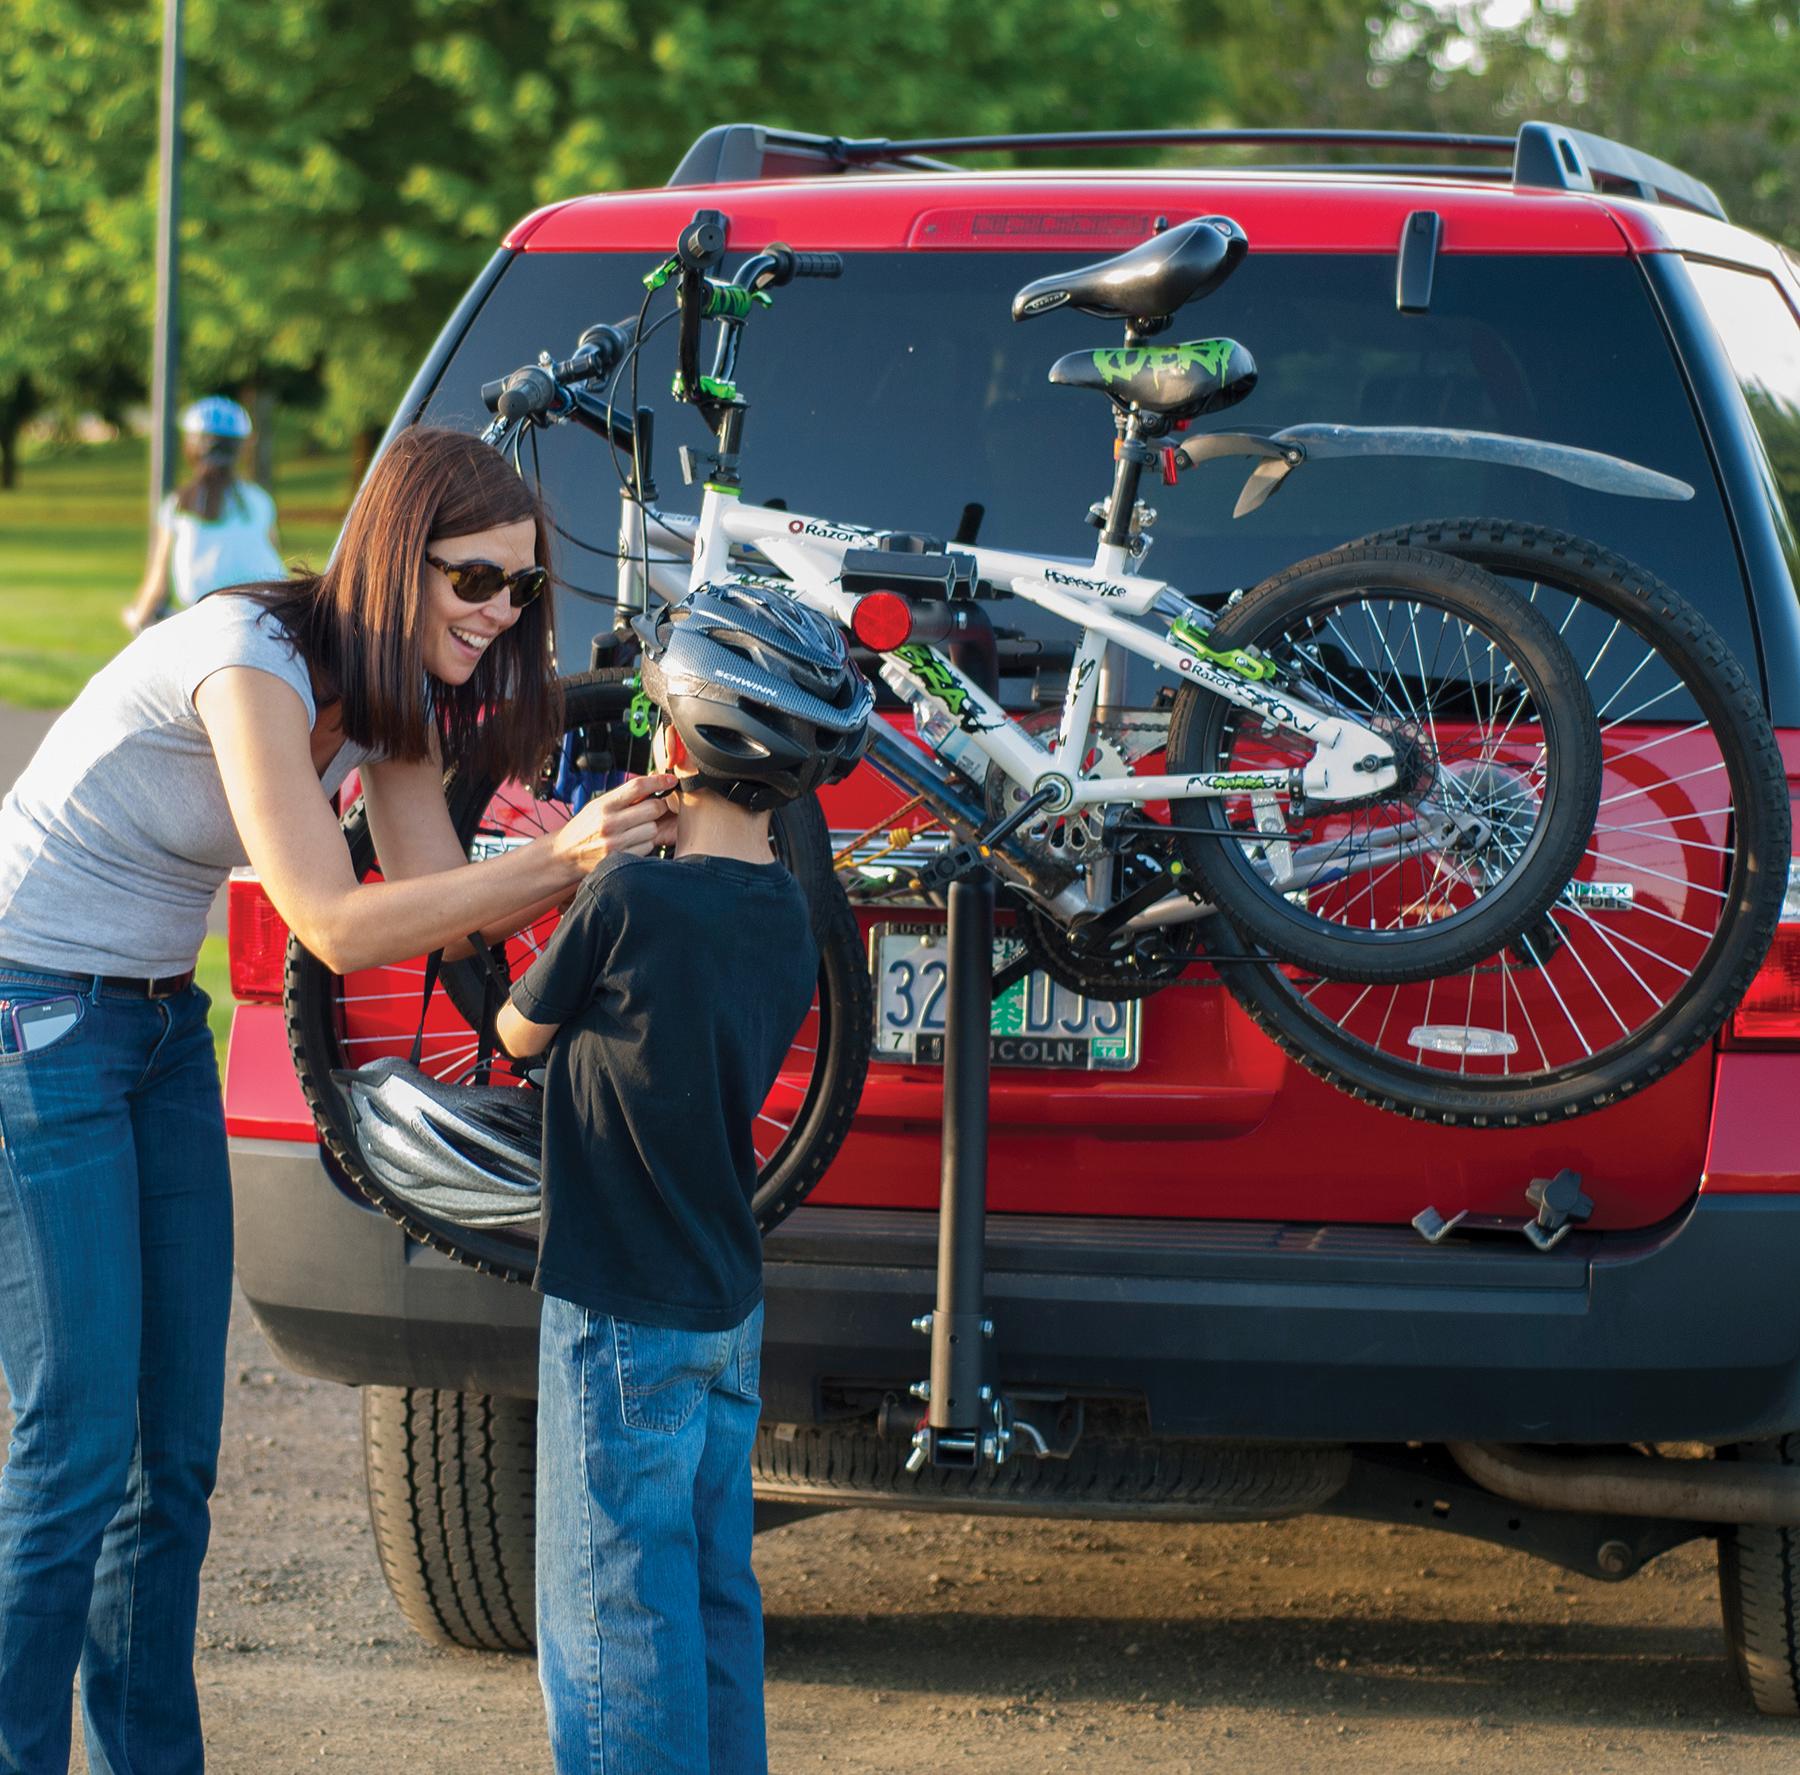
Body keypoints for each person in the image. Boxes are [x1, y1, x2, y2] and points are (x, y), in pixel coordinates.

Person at [0, 423, 678, 1775]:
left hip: (152, 1025)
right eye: (472, 579)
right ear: (396, 555)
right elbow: (332, 920)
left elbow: (436, 908)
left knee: (172, 1460)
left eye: (520, 588)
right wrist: (562, 862)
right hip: (34, 1018)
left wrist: (595, 875)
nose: (498, 612)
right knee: (77, 1442)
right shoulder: (248, 657)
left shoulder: (390, 698)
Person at [494, 584, 872, 1775]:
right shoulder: (791, 911)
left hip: (619, 1300)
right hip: (723, 1298)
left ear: (674, 743)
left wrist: (576, 863)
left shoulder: (627, 895)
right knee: (711, 1589)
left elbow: (515, 1032)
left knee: (614, 1604)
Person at [122, 396, 286, 634]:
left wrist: (138, 617)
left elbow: (158, 583)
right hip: (269, 609)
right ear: (240, 448)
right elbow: (272, 553)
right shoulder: (259, 501)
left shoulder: (178, 505)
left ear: (191, 446)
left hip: (205, 613)